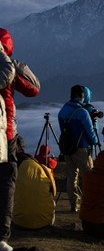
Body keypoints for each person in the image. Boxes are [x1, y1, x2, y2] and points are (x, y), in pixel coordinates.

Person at [0, 28, 40, 251]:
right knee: (6, 180)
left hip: (6, 133)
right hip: (6, 135)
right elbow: (34, 89)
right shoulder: (9, 68)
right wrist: (14, 64)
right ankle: (2, 235)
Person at [58, 85, 98, 212]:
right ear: (82, 96)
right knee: (89, 177)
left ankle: (74, 205)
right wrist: (95, 141)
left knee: (71, 176)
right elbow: (90, 132)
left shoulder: (63, 110)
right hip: (82, 149)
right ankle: (89, 204)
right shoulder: (82, 112)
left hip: (67, 149)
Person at [13, 154, 56, 230]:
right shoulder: (44, 169)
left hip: (19, 222)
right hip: (44, 222)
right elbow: (54, 192)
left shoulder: (16, 172)